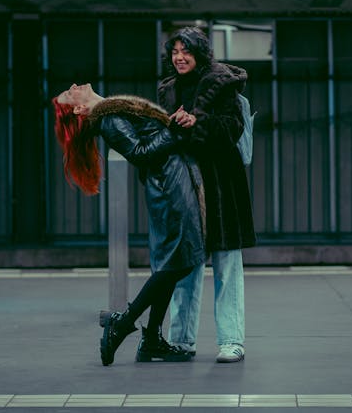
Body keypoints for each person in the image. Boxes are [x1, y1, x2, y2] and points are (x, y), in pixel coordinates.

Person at [52, 84, 206, 366]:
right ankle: (123, 323)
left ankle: (150, 340)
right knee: (179, 262)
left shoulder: (111, 111)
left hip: (170, 182)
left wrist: (170, 124)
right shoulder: (108, 119)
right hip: (169, 187)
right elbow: (139, 152)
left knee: (173, 263)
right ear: (78, 109)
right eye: (69, 93)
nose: (74, 86)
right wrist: (173, 130)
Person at [157, 26, 256, 363]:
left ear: (199, 54)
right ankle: (181, 340)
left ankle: (232, 340)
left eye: (186, 51)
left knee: (227, 264)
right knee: (186, 264)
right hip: (184, 184)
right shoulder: (167, 89)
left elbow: (232, 127)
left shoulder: (222, 84)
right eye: (175, 52)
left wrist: (196, 122)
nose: (179, 58)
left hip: (220, 183)